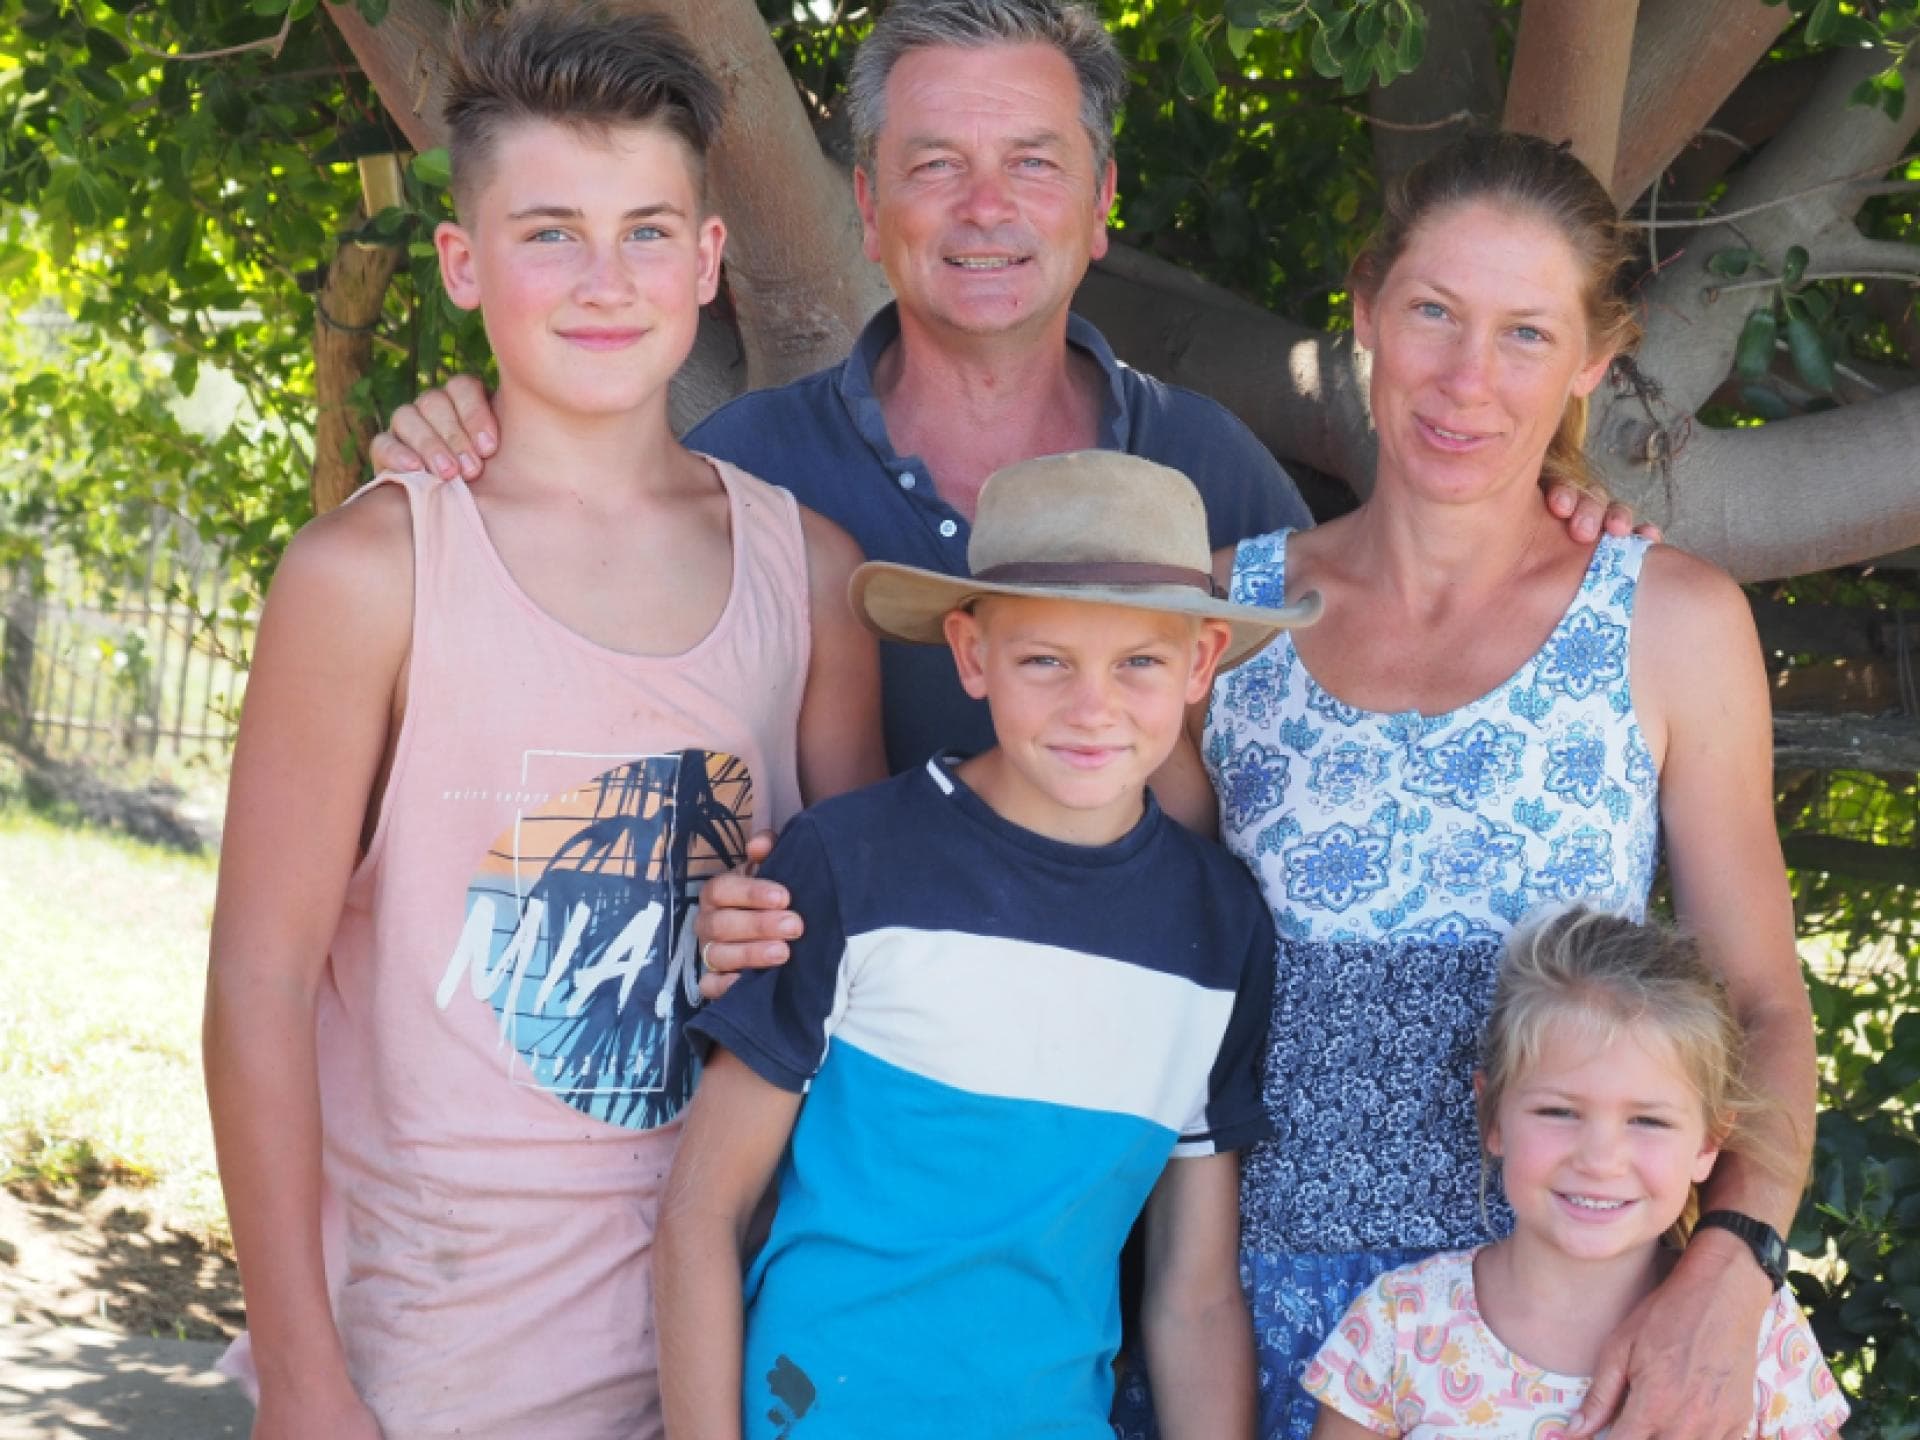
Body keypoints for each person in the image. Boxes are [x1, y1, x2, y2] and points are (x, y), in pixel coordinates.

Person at [368, 0, 1639, 778]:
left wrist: (1549, 514)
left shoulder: (1216, 478)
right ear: (868, 205)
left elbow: (1344, 737)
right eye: (936, 165)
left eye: (1033, 163)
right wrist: (475, 434)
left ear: (1102, 204)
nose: (986, 209)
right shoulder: (745, 472)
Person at [203, 4, 882, 1437]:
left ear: (709, 259)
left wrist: (774, 928)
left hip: (729, 1358)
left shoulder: (810, 576)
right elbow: (259, 985)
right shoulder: (370, 576)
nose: (604, 279)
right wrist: (304, 1380)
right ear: (464, 264)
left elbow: (859, 962)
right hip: (431, 1361)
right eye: (549, 232)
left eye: (647, 232)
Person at [1112, 131, 1818, 1440]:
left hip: (1561, 1351)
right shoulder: (1220, 624)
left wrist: (1733, 1269)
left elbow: (1767, 1005)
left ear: (1594, 359)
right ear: (1367, 308)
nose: (1466, 379)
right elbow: (1144, 983)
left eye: (1526, 334)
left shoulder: (1669, 623)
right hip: (1262, 1324)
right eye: (1434, 311)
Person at [653, 451, 1320, 1440]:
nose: (1092, 706)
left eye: (1139, 662)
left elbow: (1194, 1298)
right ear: (972, 655)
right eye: (1045, 659)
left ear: (1201, 663)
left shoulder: (1217, 928)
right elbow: (701, 1213)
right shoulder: (851, 861)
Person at [1301, 908, 1847, 1440]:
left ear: (1708, 1144)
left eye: (1649, 1121)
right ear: (1493, 1116)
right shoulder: (1400, 1324)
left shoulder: (1757, 1334)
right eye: (1559, 1112)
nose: (1600, 1159)